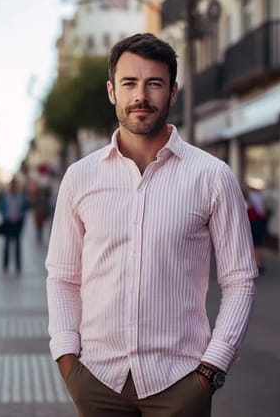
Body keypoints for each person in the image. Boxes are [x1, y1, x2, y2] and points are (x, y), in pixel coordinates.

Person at [46, 33, 257, 417]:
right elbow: (63, 277)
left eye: (154, 84)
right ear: (112, 91)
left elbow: (240, 279)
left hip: (181, 383)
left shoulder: (212, 176)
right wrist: (67, 358)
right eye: (129, 83)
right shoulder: (80, 178)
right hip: (97, 380)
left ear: (172, 92)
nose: (140, 96)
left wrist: (212, 371)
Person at [0, 177, 28, 274]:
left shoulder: (21, 196)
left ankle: (18, 266)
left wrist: (20, 216)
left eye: (16, 185)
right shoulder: (5, 196)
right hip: (8, 222)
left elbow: (24, 208)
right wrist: (6, 217)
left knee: (18, 244)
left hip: (18, 223)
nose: (14, 187)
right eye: (13, 185)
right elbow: (1, 208)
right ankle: (5, 265)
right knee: (6, 244)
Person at [245, 181, 268, 274]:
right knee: (259, 244)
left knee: (252, 243)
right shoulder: (261, 197)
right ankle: (259, 263)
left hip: (252, 222)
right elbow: (264, 211)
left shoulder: (249, 197)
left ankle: (254, 264)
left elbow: (247, 208)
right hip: (260, 222)